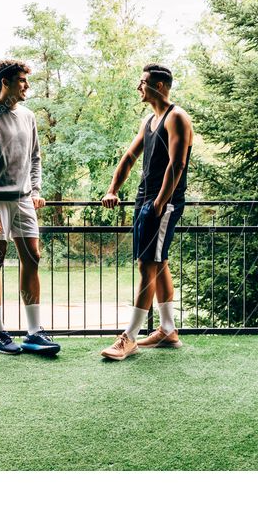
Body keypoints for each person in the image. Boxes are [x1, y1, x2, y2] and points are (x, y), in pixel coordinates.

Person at [100, 64, 193, 360]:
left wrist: (159, 203)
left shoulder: (176, 118)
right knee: (158, 261)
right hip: (146, 199)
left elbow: (176, 165)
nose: (138, 87)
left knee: (146, 267)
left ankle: (129, 337)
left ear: (161, 86)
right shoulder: (149, 121)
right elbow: (129, 157)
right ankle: (167, 330)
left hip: (162, 202)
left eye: (143, 83)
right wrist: (113, 189)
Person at [0, 59, 60, 355]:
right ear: (5, 82)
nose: (27, 86)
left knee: (32, 258)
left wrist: (35, 190)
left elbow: (35, 158)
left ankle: (34, 332)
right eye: (22, 80)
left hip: (23, 201)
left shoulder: (29, 116)